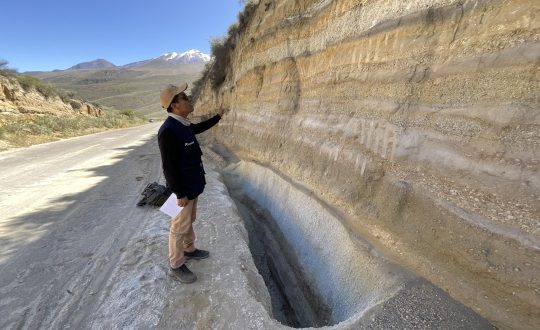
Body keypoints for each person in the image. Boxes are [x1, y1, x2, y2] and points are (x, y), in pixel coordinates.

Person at [157, 82, 225, 283]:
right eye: (184, 98)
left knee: (188, 220)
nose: (189, 100)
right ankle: (176, 265)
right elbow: (168, 167)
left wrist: (218, 117)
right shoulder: (168, 130)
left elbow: (198, 128)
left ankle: (189, 249)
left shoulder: (183, 125)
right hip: (181, 191)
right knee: (178, 226)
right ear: (175, 105)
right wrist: (179, 194)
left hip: (191, 187)